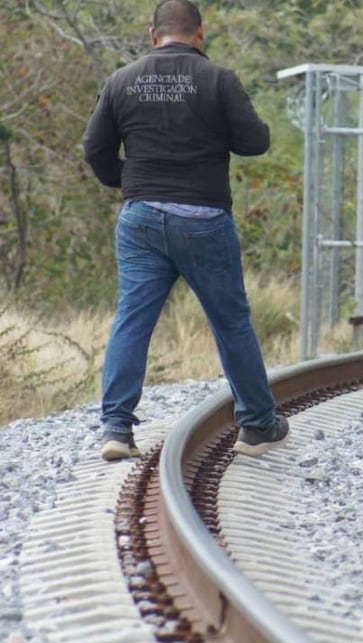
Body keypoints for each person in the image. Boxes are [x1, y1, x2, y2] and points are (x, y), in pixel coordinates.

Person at [82, 0, 288, 461]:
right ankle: (257, 425)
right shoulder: (218, 79)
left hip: (140, 219)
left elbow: (94, 148)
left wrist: (129, 180)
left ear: (152, 34)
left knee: (133, 318)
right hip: (204, 221)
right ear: (200, 34)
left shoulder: (121, 80)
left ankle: (116, 429)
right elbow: (255, 142)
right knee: (231, 322)